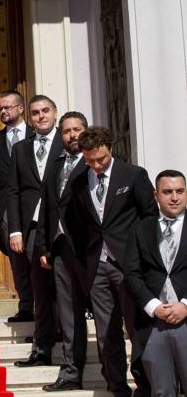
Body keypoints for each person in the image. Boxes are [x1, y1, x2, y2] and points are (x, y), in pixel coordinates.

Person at [67, 126, 157, 397]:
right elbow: (77, 224)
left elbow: (150, 217)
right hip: (97, 267)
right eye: (90, 160)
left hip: (130, 267)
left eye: (101, 159)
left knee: (137, 327)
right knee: (107, 333)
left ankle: (145, 386)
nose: (96, 165)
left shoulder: (133, 175)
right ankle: (116, 387)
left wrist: (143, 259)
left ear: (110, 148)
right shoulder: (79, 181)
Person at [34, 112, 90, 391]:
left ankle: (119, 375)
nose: (71, 135)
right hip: (60, 250)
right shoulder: (55, 165)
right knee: (68, 313)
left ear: (86, 131)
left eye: (77, 130)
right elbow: (47, 207)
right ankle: (70, 371)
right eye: (66, 131)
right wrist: (44, 246)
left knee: (108, 314)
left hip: (91, 253)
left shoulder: (95, 165)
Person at [7, 95, 63, 367]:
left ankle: (67, 344)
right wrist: (15, 230)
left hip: (61, 228)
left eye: (45, 111)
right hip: (30, 228)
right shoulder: (20, 149)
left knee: (63, 288)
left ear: (55, 113)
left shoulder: (67, 144)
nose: (41, 116)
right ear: (29, 118)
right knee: (39, 289)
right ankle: (41, 350)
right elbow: (14, 192)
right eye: (35, 113)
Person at [124, 169, 187, 396]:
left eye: (180, 191)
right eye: (167, 191)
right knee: (161, 391)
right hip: (152, 325)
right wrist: (154, 307)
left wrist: (185, 305)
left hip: (186, 319)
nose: (174, 197)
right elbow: (131, 273)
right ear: (155, 195)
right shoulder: (140, 228)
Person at [0, 90, 35, 322]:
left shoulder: (37, 136)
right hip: (6, 207)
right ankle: (25, 306)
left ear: (20, 109)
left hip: (35, 206)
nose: (3, 111)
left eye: (8, 107)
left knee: (38, 255)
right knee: (17, 258)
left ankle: (46, 307)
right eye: (0, 108)